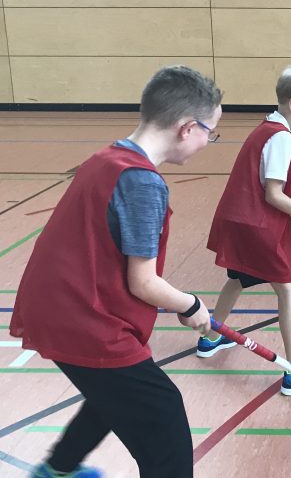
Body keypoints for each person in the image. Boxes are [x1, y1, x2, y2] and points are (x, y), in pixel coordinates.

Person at [10, 65, 222, 477]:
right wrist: (191, 304)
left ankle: (57, 469)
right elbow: (142, 282)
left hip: (57, 307)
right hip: (82, 317)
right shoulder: (142, 183)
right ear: (186, 127)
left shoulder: (109, 156)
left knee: (116, 394)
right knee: (164, 422)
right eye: (209, 133)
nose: (207, 143)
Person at [202, 64, 291, 396]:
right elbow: (272, 195)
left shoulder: (267, 127)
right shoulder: (281, 138)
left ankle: (210, 337)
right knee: (287, 289)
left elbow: (267, 183)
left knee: (238, 278)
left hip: (241, 218)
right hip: (257, 224)